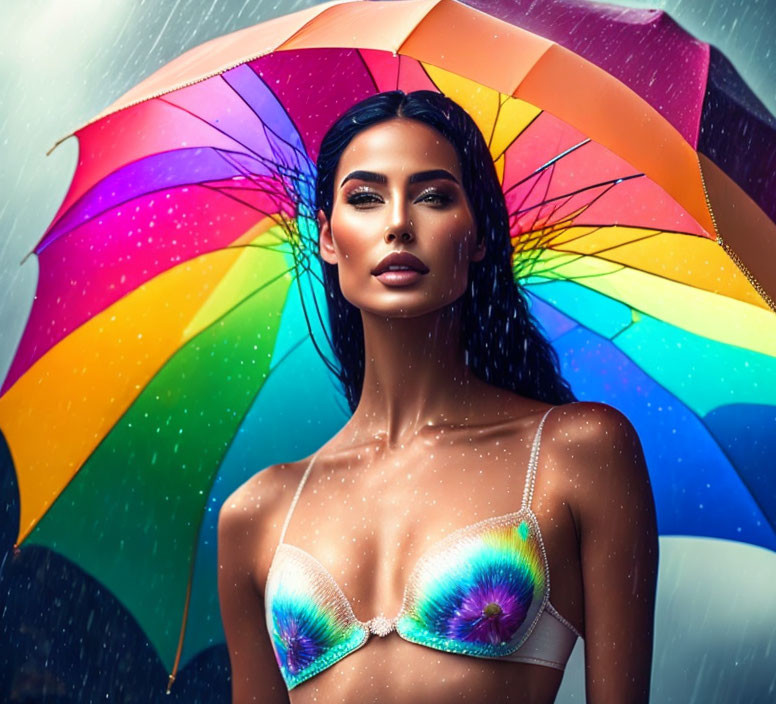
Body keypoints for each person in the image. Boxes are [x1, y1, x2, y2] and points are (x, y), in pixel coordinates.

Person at [218, 89, 658, 704]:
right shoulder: (257, 514)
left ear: (477, 234)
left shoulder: (578, 452)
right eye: (365, 198)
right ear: (326, 238)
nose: (399, 222)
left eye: (433, 196)